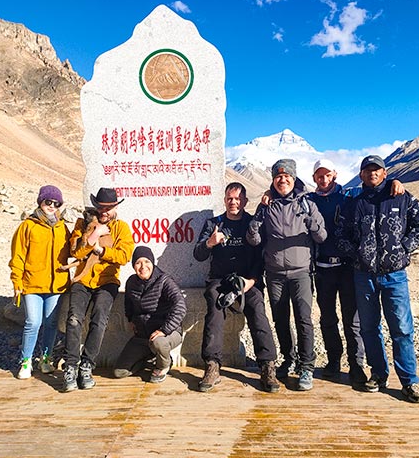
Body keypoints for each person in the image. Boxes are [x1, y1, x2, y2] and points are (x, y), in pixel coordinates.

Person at [339, 155, 419, 403]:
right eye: (367, 170)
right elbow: (341, 233)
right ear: (361, 175)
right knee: (369, 328)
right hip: (364, 275)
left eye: (376, 170)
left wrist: (404, 248)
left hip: (394, 275)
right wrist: (356, 255)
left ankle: (409, 381)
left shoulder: (400, 196)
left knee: (401, 329)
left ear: (385, 172)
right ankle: (378, 374)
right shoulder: (354, 203)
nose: (372, 174)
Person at [309, 159, 405, 388]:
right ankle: (333, 362)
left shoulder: (349, 196)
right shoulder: (308, 200)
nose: (324, 180)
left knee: (353, 319)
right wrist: (268, 193)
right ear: (314, 178)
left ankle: (356, 364)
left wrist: (394, 181)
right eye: (319, 176)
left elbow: (373, 189)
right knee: (328, 318)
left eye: (328, 175)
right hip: (322, 268)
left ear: (335, 175)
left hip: (348, 267)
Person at [247, 159, 326, 391]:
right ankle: (288, 359)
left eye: (287, 176)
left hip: (301, 272)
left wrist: (312, 224)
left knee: (304, 319)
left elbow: (322, 237)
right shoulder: (265, 205)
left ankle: (307, 366)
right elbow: (254, 241)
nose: (283, 180)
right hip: (274, 274)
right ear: (273, 180)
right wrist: (255, 225)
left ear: (294, 178)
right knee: (280, 319)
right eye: (278, 176)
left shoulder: (307, 203)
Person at [193, 182, 279, 393]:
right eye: (230, 198)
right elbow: (198, 254)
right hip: (219, 280)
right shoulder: (214, 224)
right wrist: (209, 243)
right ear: (224, 200)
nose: (234, 202)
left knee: (258, 310)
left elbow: (261, 256)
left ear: (245, 201)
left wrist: (252, 281)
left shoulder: (253, 223)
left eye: (238, 199)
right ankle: (212, 365)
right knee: (214, 308)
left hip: (247, 281)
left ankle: (267, 365)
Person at [61, 187, 134, 392]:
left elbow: (124, 256)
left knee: (99, 319)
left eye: (108, 208)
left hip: (107, 281)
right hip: (82, 280)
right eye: (101, 207)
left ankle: (86, 366)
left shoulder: (122, 229)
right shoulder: (82, 224)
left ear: (115, 208)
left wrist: (101, 250)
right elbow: (74, 250)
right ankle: (70, 366)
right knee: (74, 319)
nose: (104, 211)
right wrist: (94, 236)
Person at [9, 185, 70, 379]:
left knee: (51, 323)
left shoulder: (62, 227)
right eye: (48, 202)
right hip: (32, 283)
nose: (52, 206)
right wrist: (17, 282)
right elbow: (17, 256)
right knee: (32, 322)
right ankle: (26, 361)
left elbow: (73, 251)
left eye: (56, 203)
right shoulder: (28, 226)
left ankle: (46, 359)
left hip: (56, 284)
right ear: (40, 202)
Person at [113, 246, 186, 383]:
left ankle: (163, 365)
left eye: (146, 261)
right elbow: (128, 302)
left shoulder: (164, 280)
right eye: (138, 263)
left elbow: (180, 306)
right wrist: (131, 319)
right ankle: (151, 359)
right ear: (134, 266)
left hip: (168, 333)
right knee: (119, 372)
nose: (143, 266)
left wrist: (164, 330)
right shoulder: (131, 282)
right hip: (143, 335)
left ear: (152, 262)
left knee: (158, 343)